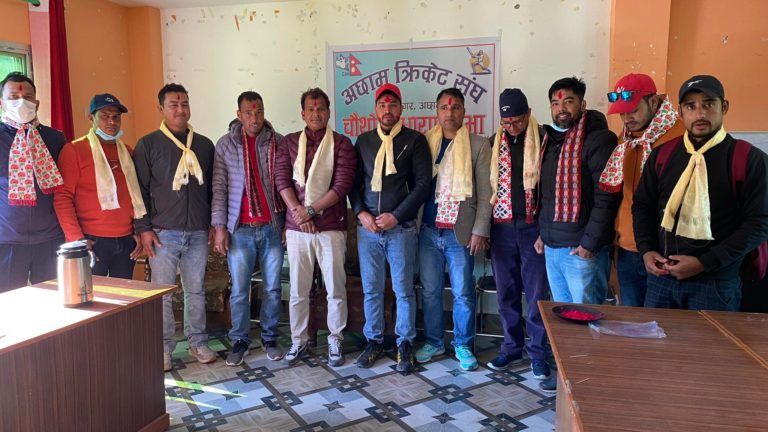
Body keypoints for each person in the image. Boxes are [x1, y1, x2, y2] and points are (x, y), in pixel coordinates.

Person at [633, 75, 768, 311]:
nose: (700, 114)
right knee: (656, 336)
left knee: (710, 338)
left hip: (715, 284)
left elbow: (759, 223)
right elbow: (643, 205)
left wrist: (704, 263)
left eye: (708, 104)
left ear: (724, 107)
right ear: (680, 112)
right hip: (662, 278)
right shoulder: (662, 155)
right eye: (690, 106)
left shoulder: (748, 159)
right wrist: (646, 250)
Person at [537, 77, 619, 394]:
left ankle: (588, 381)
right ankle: (567, 376)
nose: (561, 108)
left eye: (568, 101)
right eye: (555, 103)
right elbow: (546, 195)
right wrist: (543, 233)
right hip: (553, 246)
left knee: (587, 319)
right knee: (564, 318)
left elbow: (606, 196)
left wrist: (589, 244)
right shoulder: (550, 141)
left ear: (582, 104)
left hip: (581, 251)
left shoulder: (598, 139)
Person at [348, 83, 432, 373]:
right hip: (368, 230)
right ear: (375, 109)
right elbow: (353, 184)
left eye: (392, 105)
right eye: (382, 105)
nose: (387, 110)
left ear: (401, 109)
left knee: (403, 290)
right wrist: (361, 213)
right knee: (371, 289)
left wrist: (396, 216)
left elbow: (423, 185)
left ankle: (404, 343)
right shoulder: (364, 142)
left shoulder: (415, 140)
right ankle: (373, 341)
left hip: (401, 229)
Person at [133, 83, 216, 371]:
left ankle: (198, 342)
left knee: (195, 290)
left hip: (197, 231)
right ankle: (163, 348)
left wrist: (213, 223)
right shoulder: (148, 144)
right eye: (173, 105)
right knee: (163, 293)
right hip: (162, 233)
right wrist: (143, 228)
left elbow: (213, 189)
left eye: (184, 104)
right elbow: (140, 190)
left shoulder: (204, 145)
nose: (180, 110)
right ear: (161, 108)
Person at [274, 88, 356, 367]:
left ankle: (335, 338)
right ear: (302, 113)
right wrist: (300, 213)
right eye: (310, 109)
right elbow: (282, 180)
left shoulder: (342, 144)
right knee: (298, 289)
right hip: (297, 228)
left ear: (329, 112)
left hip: (331, 228)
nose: (316, 113)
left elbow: (342, 185)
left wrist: (310, 210)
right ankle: (299, 340)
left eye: (321, 108)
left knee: (335, 288)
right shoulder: (289, 143)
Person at [414, 87, 491, 371]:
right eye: (445, 108)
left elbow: (486, 192)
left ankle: (462, 344)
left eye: (456, 107)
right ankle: (434, 342)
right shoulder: (425, 143)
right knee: (430, 291)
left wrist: (480, 230)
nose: (450, 113)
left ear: (463, 112)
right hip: (428, 231)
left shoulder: (478, 145)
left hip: (460, 233)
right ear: (437, 111)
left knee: (462, 292)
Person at [212, 91, 286, 365]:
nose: (255, 118)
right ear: (239, 114)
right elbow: (219, 188)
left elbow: (286, 184)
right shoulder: (226, 145)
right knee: (240, 290)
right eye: (249, 113)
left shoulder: (278, 142)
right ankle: (240, 340)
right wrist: (220, 227)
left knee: (273, 289)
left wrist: (287, 224)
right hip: (240, 230)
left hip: (271, 228)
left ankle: (270, 338)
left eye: (259, 112)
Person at [600, 73, 685, 306]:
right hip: (627, 248)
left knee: (661, 322)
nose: (627, 118)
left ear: (654, 102)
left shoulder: (680, 139)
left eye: (633, 111)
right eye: (622, 113)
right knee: (632, 320)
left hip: (664, 251)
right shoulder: (626, 140)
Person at [484, 89, 551, 380]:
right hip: (501, 227)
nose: (512, 127)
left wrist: (545, 230)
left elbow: (551, 188)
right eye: (507, 122)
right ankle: (511, 347)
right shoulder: (493, 143)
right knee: (506, 292)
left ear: (529, 113)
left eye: (518, 121)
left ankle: (538, 353)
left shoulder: (545, 139)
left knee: (536, 294)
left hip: (533, 227)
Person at [54, 93, 144, 279]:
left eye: (116, 117)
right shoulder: (74, 150)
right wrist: (78, 240)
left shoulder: (127, 151)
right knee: (91, 294)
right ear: (91, 118)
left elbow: (136, 195)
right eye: (104, 116)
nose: (112, 121)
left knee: (124, 294)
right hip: (92, 241)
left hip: (126, 240)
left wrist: (137, 231)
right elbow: (62, 198)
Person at [0, 72, 66, 292]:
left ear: (36, 103)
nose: (21, 102)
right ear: (2, 103)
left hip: (50, 238)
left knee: (53, 299)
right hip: (7, 239)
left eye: (27, 96)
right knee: (8, 302)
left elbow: (66, 189)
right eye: (13, 97)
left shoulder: (55, 138)